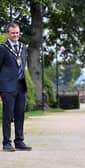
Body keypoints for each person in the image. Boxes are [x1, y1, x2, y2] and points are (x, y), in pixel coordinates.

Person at [0, 22, 32, 151]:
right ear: (8, 33)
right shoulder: (2, 48)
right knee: (8, 115)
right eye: (13, 33)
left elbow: (22, 65)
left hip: (20, 85)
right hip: (7, 87)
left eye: (17, 33)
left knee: (20, 114)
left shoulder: (23, 47)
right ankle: (6, 142)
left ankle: (19, 141)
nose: (15, 35)